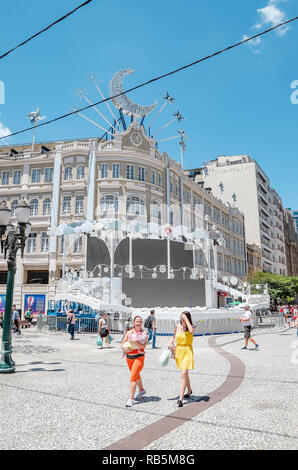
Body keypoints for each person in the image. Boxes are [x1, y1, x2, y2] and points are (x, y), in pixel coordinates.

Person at [169, 311, 195, 408]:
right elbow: (173, 337)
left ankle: (180, 399)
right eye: (181, 317)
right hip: (179, 351)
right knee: (185, 374)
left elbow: (191, 332)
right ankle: (189, 390)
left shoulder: (191, 327)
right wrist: (171, 344)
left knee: (183, 374)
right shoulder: (177, 326)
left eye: (184, 318)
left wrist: (186, 319)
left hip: (188, 351)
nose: (182, 319)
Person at [121, 315, 148, 407]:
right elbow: (122, 343)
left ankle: (131, 399)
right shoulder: (128, 333)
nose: (139, 323)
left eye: (140, 321)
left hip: (139, 357)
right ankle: (141, 390)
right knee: (136, 375)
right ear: (134, 322)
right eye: (137, 321)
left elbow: (143, 346)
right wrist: (125, 348)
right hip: (129, 358)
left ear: (142, 323)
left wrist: (135, 343)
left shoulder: (144, 333)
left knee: (133, 376)